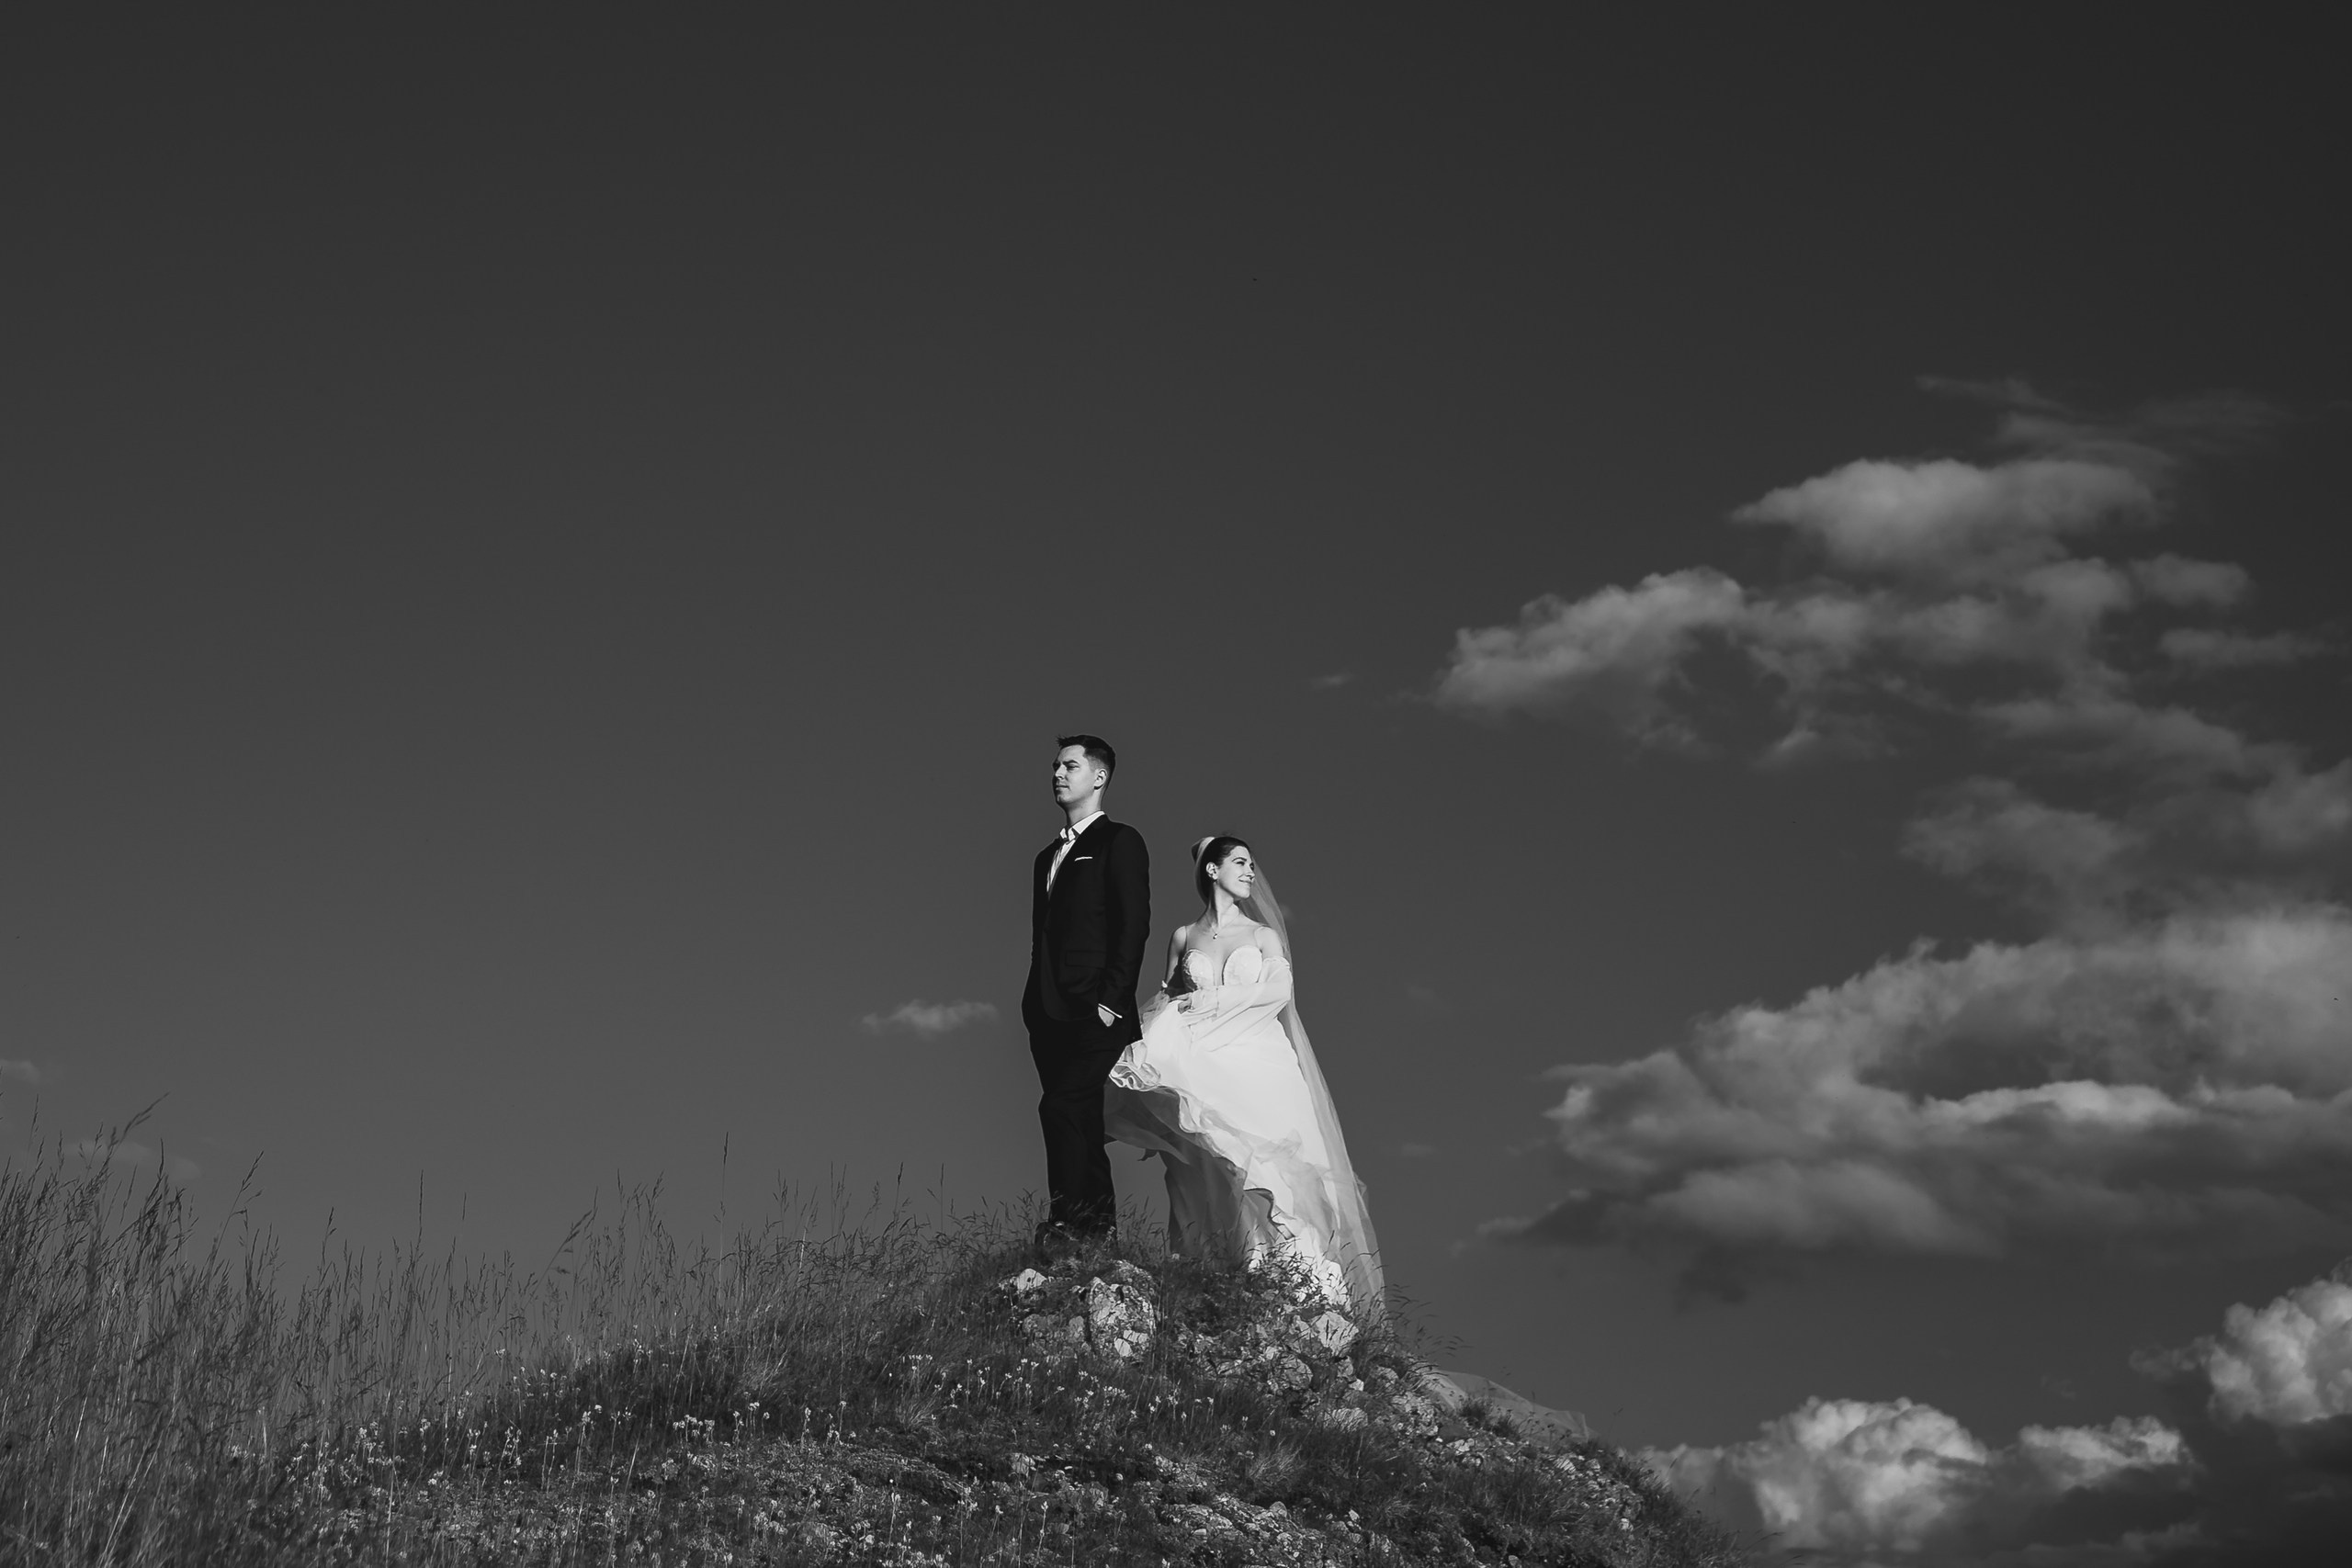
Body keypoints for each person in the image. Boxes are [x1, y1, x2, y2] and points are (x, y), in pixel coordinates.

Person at [1104, 835, 1382, 1307]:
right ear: (1212, 872)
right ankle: (1221, 1269)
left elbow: (1278, 991)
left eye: (1252, 864)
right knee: (1213, 1160)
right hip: (1205, 1064)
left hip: (1258, 1063)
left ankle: (1294, 1281)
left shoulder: (1262, 936)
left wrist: (1211, 1000)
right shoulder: (1183, 937)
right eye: (1240, 862)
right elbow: (1167, 998)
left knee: (1268, 1163)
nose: (1251, 872)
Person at [1022, 734, 1150, 1258]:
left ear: (1098, 777)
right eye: (1055, 765)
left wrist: (1112, 1000)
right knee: (1077, 1120)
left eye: (1070, 765)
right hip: (1047, 1013)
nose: (1058, 773)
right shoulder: (1044, 857)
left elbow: (1132, 926)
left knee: (1061, 1106)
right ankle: (1095, 1233)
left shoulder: (1121, 841)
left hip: (1097, 1009)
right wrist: (1031, 1004)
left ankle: (1072, 1224)